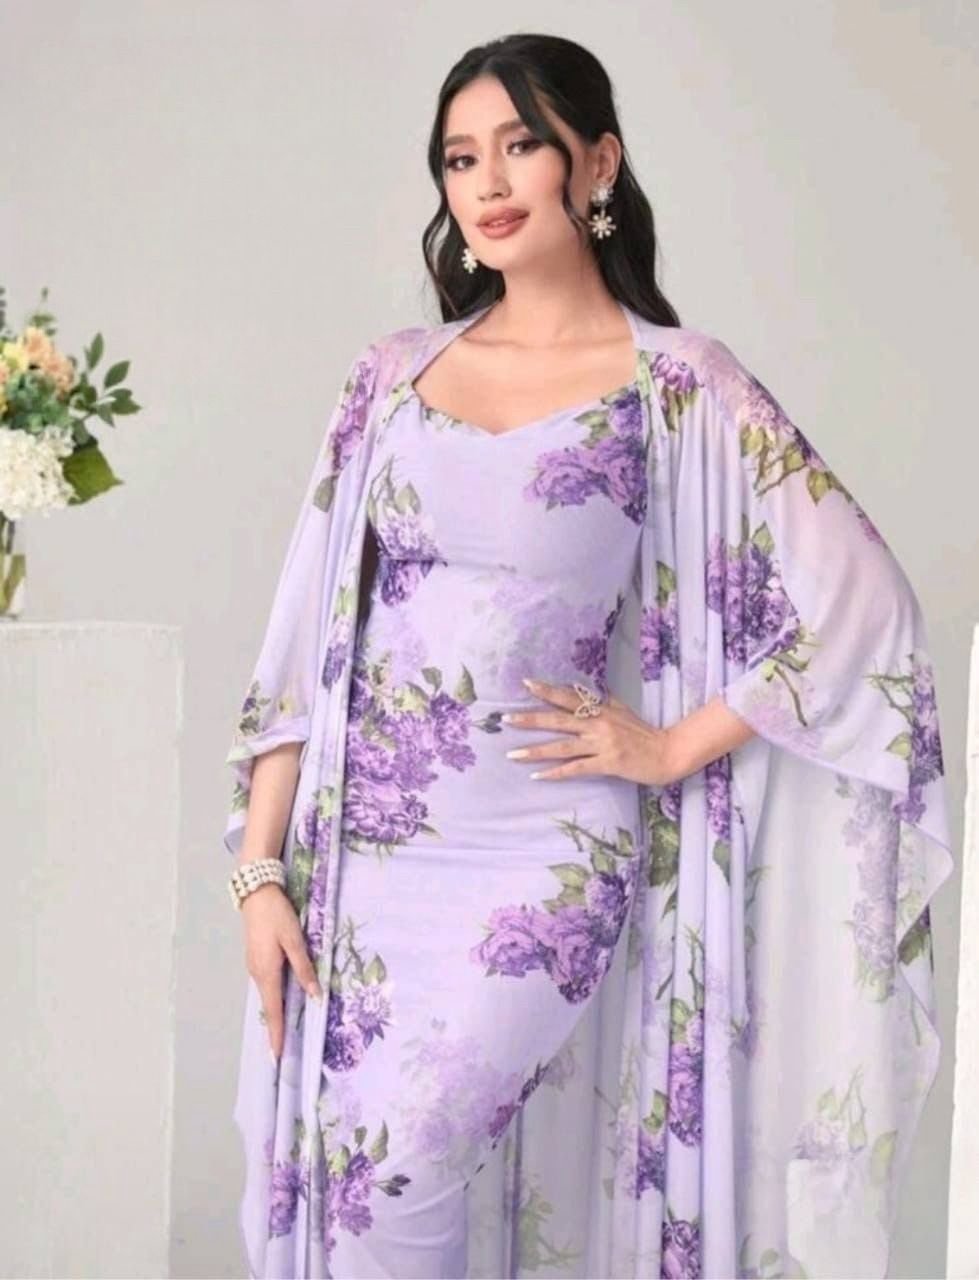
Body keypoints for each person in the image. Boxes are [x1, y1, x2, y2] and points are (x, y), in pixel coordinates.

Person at [222, 32, 953, 1280]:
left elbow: (862, 604)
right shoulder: (390, 381)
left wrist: (671, 746)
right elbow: (301, 641)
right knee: (348, 1192)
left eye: (521, 146)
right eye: (461, 157)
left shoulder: (678, 382)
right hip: (367, 867)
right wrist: (258, 873)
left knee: (399, 1165)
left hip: (541, 853)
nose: (488, 182)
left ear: (596, 163)